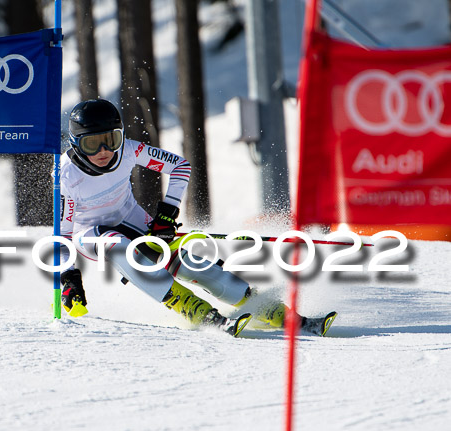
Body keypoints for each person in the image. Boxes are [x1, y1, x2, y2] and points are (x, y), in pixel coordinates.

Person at [57, 99, 335, 337]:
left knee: (187, 262)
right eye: (92, 144)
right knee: (117, 246)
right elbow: (65, 234)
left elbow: (180, 166)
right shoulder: (66, 175)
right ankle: (196, 311)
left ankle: (276, 314)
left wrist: (167, 213)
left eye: (111, 139)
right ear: (76, 143)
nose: (104, 151)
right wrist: (69, 276)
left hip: (130, 218)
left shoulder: (129, 150)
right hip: (89, 232)